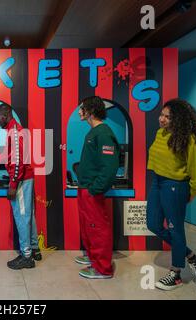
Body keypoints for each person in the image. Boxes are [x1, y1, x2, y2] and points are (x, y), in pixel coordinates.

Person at [147, 98, 196, 291]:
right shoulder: (161, 133)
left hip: (176, 186)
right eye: (162, 115)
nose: (162, 119)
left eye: (168, 117)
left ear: (179, 120)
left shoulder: (190, 140)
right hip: (158, 182)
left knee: (176, 229)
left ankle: (176, 274)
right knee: (152, 223)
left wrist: (191, 193)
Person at [0, 103, 41, 269]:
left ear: (5, 114)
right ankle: (35, 249)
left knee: (22, 217)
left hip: (21, 180)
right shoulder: (14, 130)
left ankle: (26, 256)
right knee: (28, 215)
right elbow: (7, 155)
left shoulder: (14, 132)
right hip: (25, 178)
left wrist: (13, 185)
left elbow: (18, 161)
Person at [75, 96, 119, 279]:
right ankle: (94, 259)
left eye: (82, 108)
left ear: (90, 111)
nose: (79, 112)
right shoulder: (94, 132)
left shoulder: (103, 133)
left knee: (98, 228)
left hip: (92, 190)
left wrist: (95, 188)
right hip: (85, 188)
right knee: (89, 227)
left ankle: (103, 269)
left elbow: (110, 166)